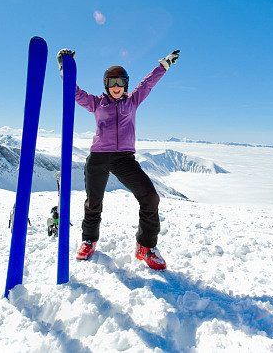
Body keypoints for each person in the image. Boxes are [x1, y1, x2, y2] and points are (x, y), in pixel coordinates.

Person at [57, 48, 180, 270]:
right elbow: (74, 93)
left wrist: (163, 65)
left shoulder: (132, 102)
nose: (116, 87)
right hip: (99, 157)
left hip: (124, 158)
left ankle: (145, 247)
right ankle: (89, 240)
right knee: (93, 203)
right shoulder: (96, 103)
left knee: (150, 197)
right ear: (106, 85)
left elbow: (147, 84)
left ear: (125, 84)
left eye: (120, 82)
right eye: (112, 82)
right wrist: (65, 68)